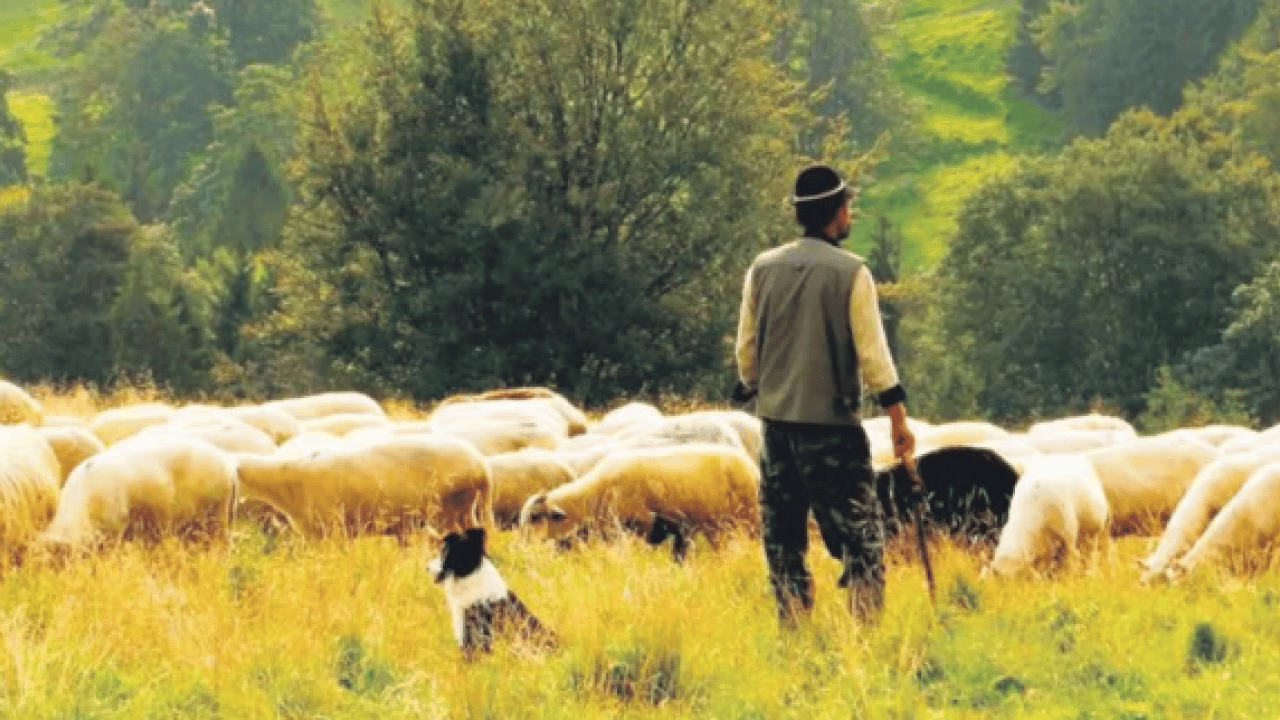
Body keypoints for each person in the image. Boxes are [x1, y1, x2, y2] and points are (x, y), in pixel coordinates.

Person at [734, 163, 916, 624]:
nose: (850, 214)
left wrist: (761, 385)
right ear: (836, 212)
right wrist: (898, 419)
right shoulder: (852, 273)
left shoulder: (762, 269)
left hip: (777, 430)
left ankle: (794, 628)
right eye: (848, 206)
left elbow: (746, 352)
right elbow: (874, 356)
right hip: (832, 432)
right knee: (860, 541)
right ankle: (864, 635)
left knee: (783, 541)